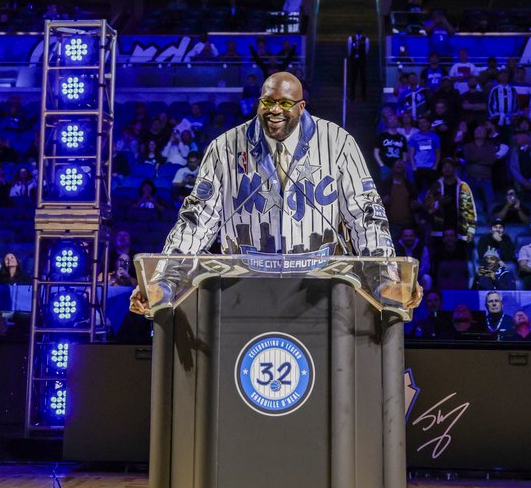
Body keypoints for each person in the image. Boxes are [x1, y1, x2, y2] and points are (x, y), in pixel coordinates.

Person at [131, 71, 406, 314]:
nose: (275, 110)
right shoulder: (225, 147)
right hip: (241, 290)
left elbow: (366, 215)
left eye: (285, 103)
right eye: (268, 102)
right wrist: (164, 280)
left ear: (301, 107)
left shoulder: (339, 142)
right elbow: (196, 220)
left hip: (320, 292)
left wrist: (385, 276)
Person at [347, 32, 369, 100]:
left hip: (362, 60)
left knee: (363, 78)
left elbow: (366, 50)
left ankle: (363, 95)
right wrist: (351, 56)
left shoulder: (366, 39)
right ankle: (352, 95)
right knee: (353, 77)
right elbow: (349, 49)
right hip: (354, 60)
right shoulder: (351, 38)